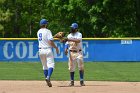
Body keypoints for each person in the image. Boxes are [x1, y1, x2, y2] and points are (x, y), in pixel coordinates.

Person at [37, 19, 59, 87]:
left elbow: (45, 39)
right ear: (45, 24)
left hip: (41, 50)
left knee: (44, 66)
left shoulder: (38, 31)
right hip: (47, 50)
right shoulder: (48, 31)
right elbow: (50, 42)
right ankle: (48, 77)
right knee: (51, 65)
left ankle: (47, 80)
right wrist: (56, 47)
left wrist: (53, 37)